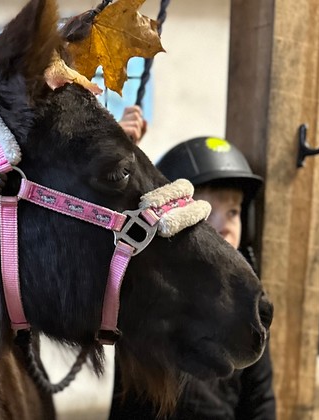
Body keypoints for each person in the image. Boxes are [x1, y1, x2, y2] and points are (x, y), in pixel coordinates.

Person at [109, 117, 277, 419]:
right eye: (207, 211)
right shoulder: (151, 299)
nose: (226, 227)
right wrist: (117, 153)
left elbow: (260, 398)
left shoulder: (247, 305)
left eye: (234, 212)